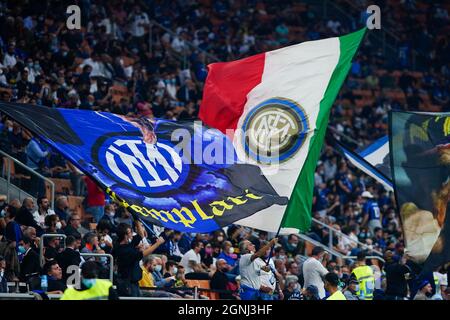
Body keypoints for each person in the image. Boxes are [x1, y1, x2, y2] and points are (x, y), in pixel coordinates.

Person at [113, 222, 165, 297]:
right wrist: (158, 244)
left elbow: (141, 235)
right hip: (127, 284)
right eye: (130, 232)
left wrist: (136, 219)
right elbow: (144, 254)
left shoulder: (126, 244)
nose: (132, 234)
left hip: (134, 283)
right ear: (125, 236)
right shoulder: (124, 251)